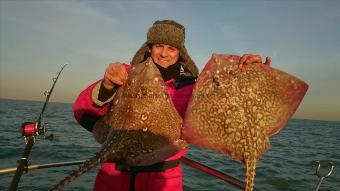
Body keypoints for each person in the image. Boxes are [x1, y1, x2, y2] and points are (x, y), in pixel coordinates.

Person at [73, 20, 271, 191]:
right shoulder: (126, 75)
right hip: (113, 177)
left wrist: (251, 76)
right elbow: (84, 114)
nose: (164, 53)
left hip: (162, 181)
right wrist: (107, 85)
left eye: (171, 48)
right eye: (159, 45)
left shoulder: (191, 88)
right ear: (149, 47)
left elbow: (228, 117)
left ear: (180, 52)